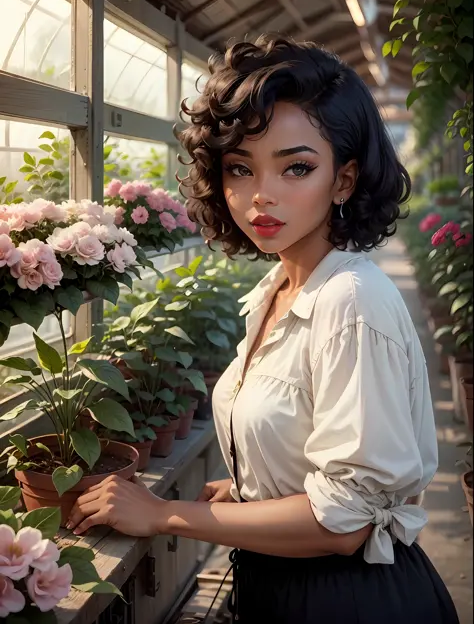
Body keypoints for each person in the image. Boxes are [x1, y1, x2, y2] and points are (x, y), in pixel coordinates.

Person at [67, 35, 459, 624]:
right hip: (277, 587)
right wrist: (258, 495)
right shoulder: (278, 288)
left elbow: (344, 523)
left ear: (345, 180)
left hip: (348, 601)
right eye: (240, 168)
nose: (261, 196)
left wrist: (164, 514)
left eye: (296, 166)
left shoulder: (349, 301)